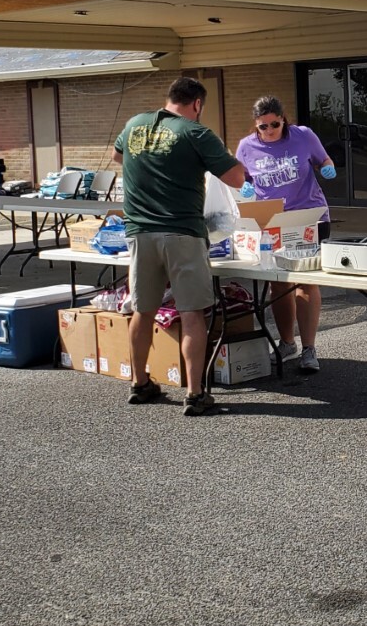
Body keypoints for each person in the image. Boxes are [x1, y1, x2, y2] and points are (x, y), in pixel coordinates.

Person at [112, 76, 246, 416]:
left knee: (141, 309)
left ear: (169, 98)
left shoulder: (135, 125)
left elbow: (117, 156)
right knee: (191, 312)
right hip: (182, 233)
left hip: (140, 232)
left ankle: (140, 383)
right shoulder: (195, 132)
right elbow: (236, 178)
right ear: (197, 104)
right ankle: (195, 393)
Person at [235, 96, 335, 374]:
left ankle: (309, 348)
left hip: (308, 218)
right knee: (278, 284)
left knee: (305, 282)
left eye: (274, 124)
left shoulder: (302, 136)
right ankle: (287, 343)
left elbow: (323, 158)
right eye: (262, 126)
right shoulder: (246, 146)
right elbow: (241, 176)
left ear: (283, 118)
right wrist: (243, 186)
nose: (268, 131)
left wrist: (327, 166)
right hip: (272, 221)